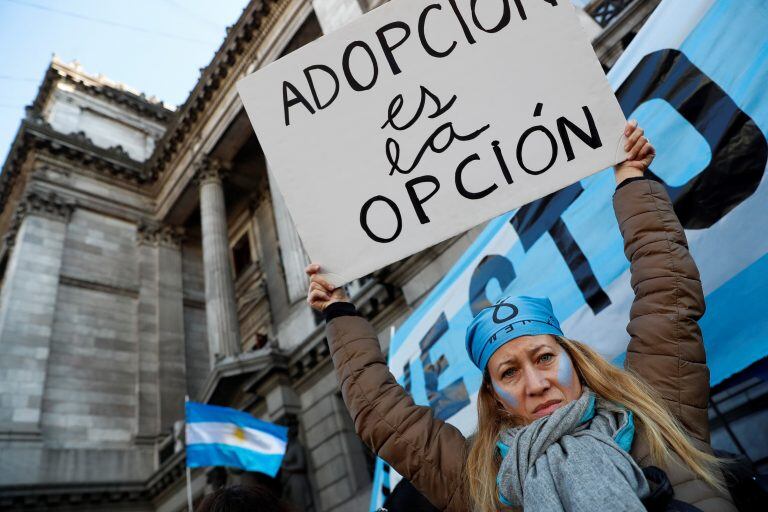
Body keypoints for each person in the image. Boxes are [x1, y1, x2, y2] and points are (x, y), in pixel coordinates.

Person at [306, 122, 736, 512]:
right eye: (509, 373)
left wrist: (631, 179)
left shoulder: (656, 410)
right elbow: (379, 410)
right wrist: (339, 309)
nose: (536, 384)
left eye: (545, 357)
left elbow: (668, 288)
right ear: (493, 396)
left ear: (575, 360)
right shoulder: (477, 482)